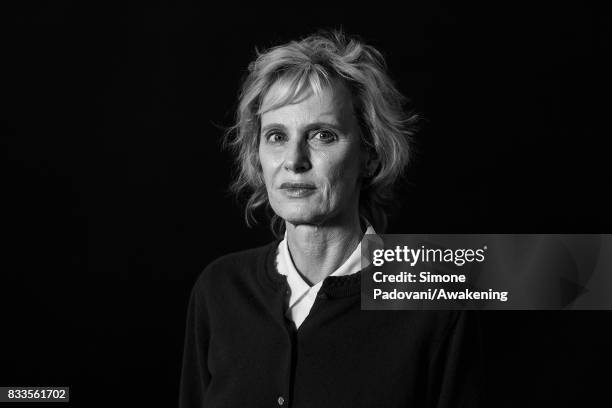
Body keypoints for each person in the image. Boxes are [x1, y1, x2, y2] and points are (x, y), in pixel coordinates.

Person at [179, 30, 482, 408]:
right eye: (276, 136)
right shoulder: (219, 290)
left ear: (370, 154)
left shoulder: (432, 299)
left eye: (322, 135)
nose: (294, 161)